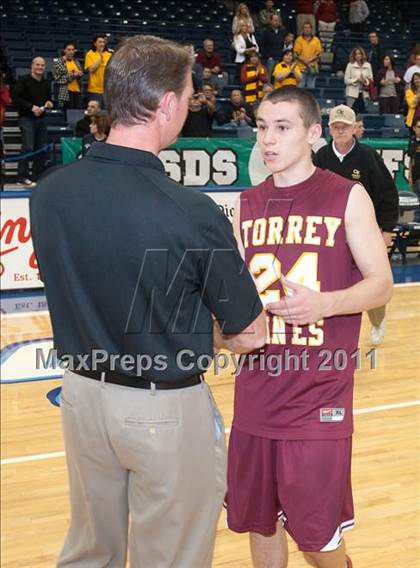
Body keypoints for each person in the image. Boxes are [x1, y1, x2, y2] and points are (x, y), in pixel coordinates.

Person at [30, 35, 266, 568]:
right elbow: (251, 334)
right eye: (187, 95)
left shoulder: (49, 194)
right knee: (172, 557)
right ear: (166, 104)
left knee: (91, 551)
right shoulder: (191, 211)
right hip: (162, 406)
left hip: (81, 399)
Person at [226, 86, 393, 568]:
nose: (268, 140)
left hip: (318, 399)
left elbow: (382, 285)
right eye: (261, 127)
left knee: (317, 540)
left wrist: (327, 303)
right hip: (255, 395)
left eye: (282, 127)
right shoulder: (246, 203)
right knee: (260, 525)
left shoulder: (347, 196)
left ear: (313, 133)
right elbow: (237, 303)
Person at [313, 104, 398, 345]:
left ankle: (377, 320)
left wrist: (387, 230)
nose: (339, 130)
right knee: (329, 281)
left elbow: (388, 195)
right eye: (335, 126)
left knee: (372, 282)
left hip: (365, 234)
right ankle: (332, 328)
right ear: (328, 129)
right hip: (330, 232)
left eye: (344, 126)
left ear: (355, 128)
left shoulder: (369, 157)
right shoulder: (321, 158)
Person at [12, 56, 53, 187]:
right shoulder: (23, 81)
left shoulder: (46, 83)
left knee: (41, 149)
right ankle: (22, 176)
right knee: (28, 147)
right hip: (26, 118)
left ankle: (36, 177)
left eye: (42, 65)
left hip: (41, 119)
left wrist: (48, 103)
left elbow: (48, 99)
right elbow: (15, 98)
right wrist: (31, 107)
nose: (40, 67)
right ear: (32, 66)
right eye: (37, 65)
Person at [84, 34, 112, 106]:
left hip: (107, 90)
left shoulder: (109, 54)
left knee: (106, 113)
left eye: (103, 42)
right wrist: (100, 58)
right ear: (95, 43)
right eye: (100, 42)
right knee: (96, 113)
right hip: (94, 90)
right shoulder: (90, 54)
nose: (102, 44)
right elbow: (91, 69)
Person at [53, 42, 83, 109]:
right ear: (64, 50)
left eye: (72, 50)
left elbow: (80, 78)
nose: (71, 51)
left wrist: (80, 74)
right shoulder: (59, 62)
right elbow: (60, 79)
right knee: (69, 113)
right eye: (69, 49)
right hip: (66, 91)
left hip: (77, 91)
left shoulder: (76, 62)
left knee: (78, 113)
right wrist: (74, 75)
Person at [344, 46, 373, 113]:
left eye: (359, 54)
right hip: (352, 92)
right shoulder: (350, 65)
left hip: (364, 92)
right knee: (351, 112)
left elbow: (371, 79)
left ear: (362, 55)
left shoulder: (368, 65)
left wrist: (365, 81)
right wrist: (356, 79)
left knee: (363, 112)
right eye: (356, 54)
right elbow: (346, 80)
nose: (358, 55)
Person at [294, 22, 322, 89]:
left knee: (311, 89)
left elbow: (318, 53)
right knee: (300, 89)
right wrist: (304, 60)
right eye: (305, 27)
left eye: (308, 27)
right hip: (301, 68)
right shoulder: (298, 39)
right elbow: (296, 53)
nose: (307, 29)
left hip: (312, 68)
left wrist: (309, 60)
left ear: (311, 29)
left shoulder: (316, 40)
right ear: (302, 29)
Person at [260, 13, 286, 82]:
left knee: (277, 78)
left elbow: (282, 44)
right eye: (275, 20)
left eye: (278, 20)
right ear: (271, 21)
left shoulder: (282, 32)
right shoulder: (266, 32)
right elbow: (261, 46)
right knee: (268, 77)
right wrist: (268, 57)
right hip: (269, 59)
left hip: (279, 58)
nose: (276, 22)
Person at [408, 117, 420, 222]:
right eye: (419, 127)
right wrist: (410, 175)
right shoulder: (411, 141)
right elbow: (411, 159)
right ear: (414, 128)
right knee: (416, 200)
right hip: (415, 175)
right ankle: (416, 224)